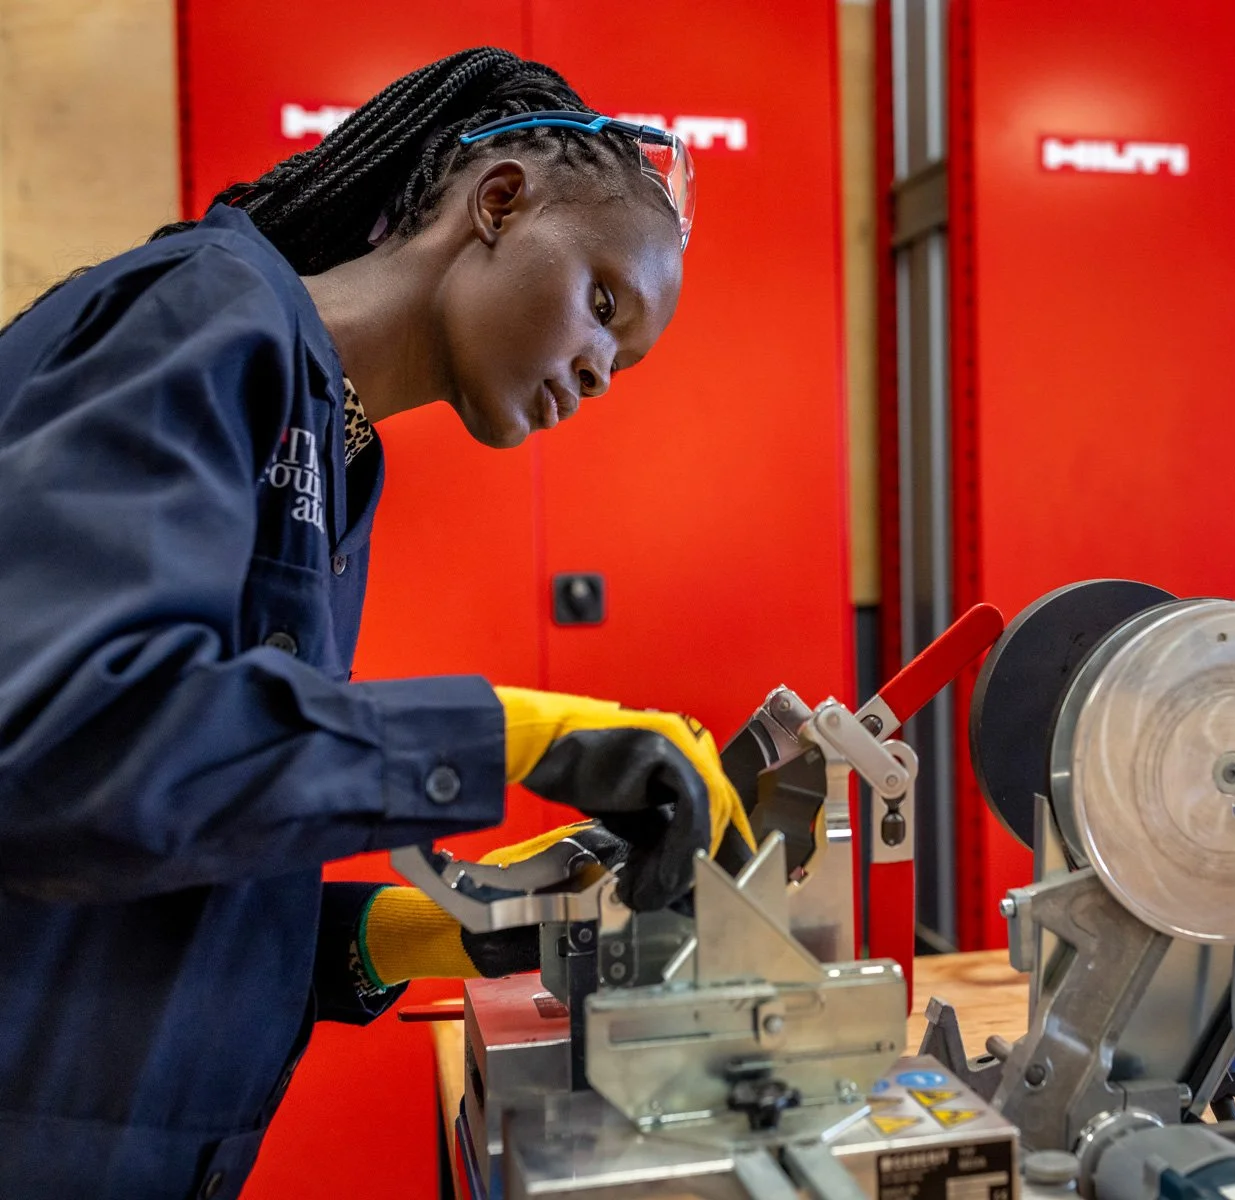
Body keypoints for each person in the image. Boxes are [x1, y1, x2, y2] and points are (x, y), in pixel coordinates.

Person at [0, 47, 755, 1200]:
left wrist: (431, 931)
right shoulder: (207, 316)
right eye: (602, 303)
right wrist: (520, 736)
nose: (599, 368)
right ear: (498, 201)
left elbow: (183, 844)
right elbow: (70, 748)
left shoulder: (338, 451)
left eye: (625, 358)